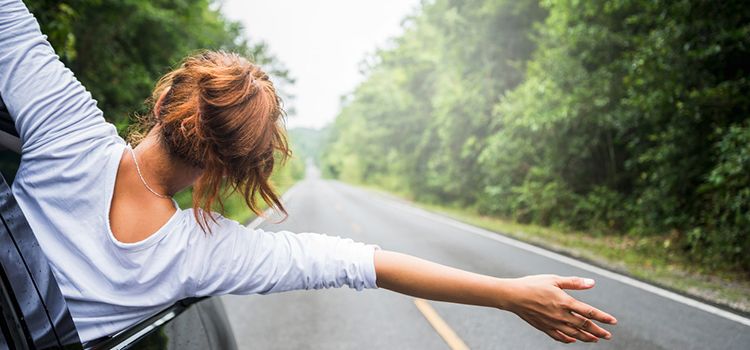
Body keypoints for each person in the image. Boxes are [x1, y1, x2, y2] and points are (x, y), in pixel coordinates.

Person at [0, 0, 617, 345]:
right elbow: (366, 264)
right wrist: (510, 294)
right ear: (235, 166)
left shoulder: (68, 132)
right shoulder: (205, 254)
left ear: (164, 101)